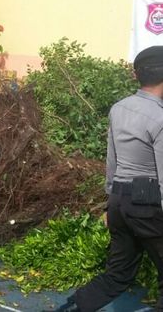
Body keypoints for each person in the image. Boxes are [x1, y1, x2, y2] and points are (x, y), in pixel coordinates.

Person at [54, 46, 163, 312]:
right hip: (147, 200)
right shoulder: (160, 117)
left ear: (138, 75)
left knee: (118, 274)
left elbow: (112, 159)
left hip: (119, 200)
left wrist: (110, 200)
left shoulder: (118, 108)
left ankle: (69, 309)